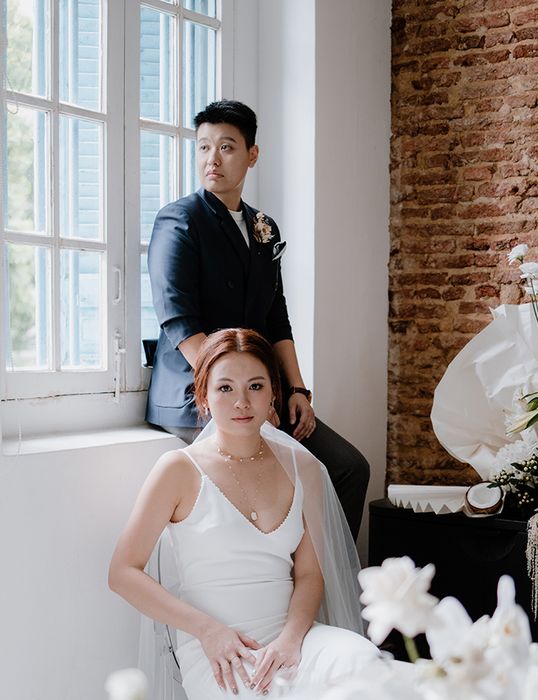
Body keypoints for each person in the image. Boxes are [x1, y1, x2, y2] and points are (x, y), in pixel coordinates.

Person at [110, 329, 382, 699]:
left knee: (362, 661)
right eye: (225, 388)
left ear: (274, 394)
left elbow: (309, 574)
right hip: (219, 652)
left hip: (293, 639)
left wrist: (290, 641)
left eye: (255, 386)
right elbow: (122, 573)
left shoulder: (302, 467)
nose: (241, 402)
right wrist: (208, 631)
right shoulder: (177, 470)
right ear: (202, 394)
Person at [146, 99, 370, 538]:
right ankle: (280, 582)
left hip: (259, 391)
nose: (212, 159)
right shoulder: (180, 220)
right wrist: (236, 394)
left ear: (252, 155)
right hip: (200, 394)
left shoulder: (263, 226)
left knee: (348, 468)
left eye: (227, 147)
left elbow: (276, 318)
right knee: (270, 484)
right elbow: (179, 323)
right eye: (204, 147)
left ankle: (311, 582)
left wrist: (297, 390)